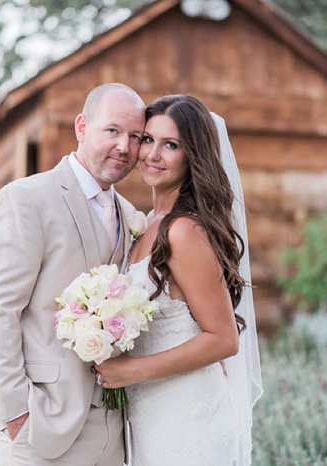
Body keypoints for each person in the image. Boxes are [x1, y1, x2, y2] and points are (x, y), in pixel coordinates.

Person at [0, 83, 146, 465]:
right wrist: (16, 414)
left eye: (136, 136)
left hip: (113, 433)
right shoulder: (26, 199)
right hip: (41, 426)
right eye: (112, 131)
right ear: (82, 127)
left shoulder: (132, 217)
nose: (125, 147)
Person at [96, 94, 263, 465]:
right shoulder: (146, 224)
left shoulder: (184, 231)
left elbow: (223, 338)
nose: (153, 154)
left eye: (170, 145)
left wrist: (130, 371)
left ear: (193, 156)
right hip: (152, 415)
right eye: (148, 139)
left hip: (189, 419)